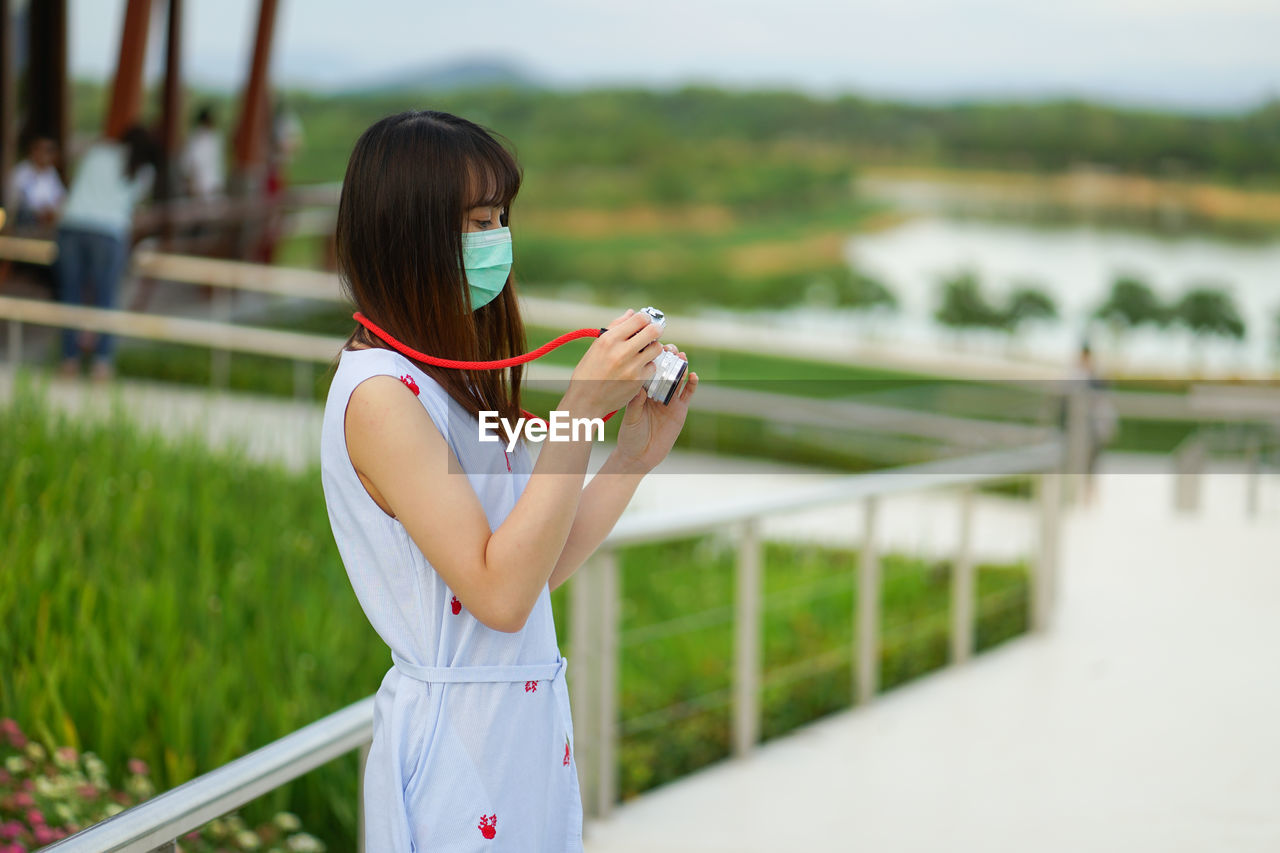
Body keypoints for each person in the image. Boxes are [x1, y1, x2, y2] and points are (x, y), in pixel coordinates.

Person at [320, 110, 698, 851]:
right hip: (460, 754)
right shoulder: (380, 397)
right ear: (408, 231)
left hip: (521, 736)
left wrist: (628, 459)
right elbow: (497, 595)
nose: (496, 237)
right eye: (476, 220)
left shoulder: (453, 380)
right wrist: (580, 409)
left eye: (500, 216)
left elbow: (532, 571)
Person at [53, 126, 157, 380]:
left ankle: (69, 361)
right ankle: (102, 362)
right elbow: (131, 204)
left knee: (70, 295)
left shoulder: (99, 152)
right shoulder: (143, 170)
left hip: (72, 225)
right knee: (106, 298)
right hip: (109, 233)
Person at [5, 134, 65, 230]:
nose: (46, 155)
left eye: (50, 151)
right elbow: (16, 203)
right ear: (34, 150)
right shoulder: (21, 173)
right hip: (24, 224)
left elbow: (60, 197)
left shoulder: (51, 172)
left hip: (47, 224)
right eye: (44, 150)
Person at [180, 106, 225, 201]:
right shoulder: (195, 138)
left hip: (209, 186)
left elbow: (217, 163)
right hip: (199, 186)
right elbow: (188, 162)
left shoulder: (214, 138)